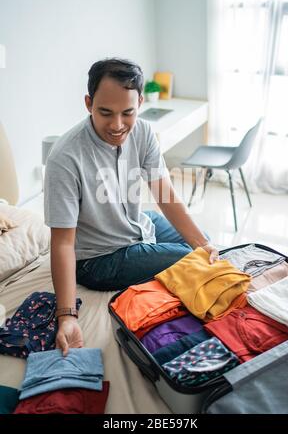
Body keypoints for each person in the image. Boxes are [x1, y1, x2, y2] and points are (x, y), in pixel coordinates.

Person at [44, 58, 219, 356]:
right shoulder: (65, 157)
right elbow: (62, 243)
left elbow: (166, 196)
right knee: (192, 261)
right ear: (88, 103)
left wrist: (202, 243)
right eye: (105, 113)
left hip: (137, 225)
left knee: (206, 247)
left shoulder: (145, 133)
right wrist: (67, 315)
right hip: (99, 258)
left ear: (139, 102)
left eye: (128, 113)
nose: (117, 125)